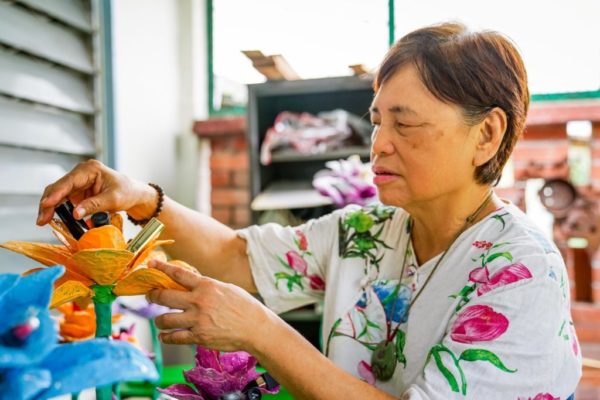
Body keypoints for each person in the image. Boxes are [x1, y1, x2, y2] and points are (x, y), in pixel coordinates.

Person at [36, 22, 581, 399]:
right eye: (376, 121)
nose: (378, 145)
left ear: (486, 134)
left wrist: (262, 333)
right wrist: (141, 197)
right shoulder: (368, 232)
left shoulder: (520, 273)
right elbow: (235, 256)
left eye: (405, 123)